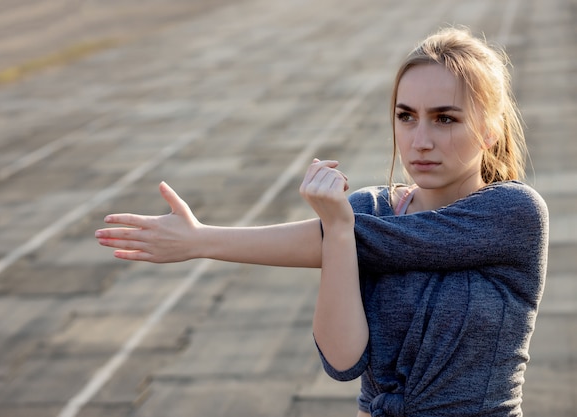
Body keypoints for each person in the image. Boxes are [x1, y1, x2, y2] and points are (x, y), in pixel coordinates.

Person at [95, 26, 549, 417]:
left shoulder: (513, 213)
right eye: (406, 116)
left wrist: (205, 240)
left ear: (490, 129)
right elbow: (342, 358)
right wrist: (335, 232)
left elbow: (397, 241)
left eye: (445, 119)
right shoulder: (368, 210)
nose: (420, 140)